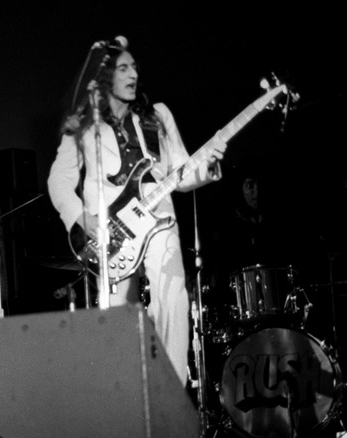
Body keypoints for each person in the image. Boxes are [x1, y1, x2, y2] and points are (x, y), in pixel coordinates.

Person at [46, 41, 227, 386]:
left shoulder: (155, 115)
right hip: (112, 234)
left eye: (135, 68)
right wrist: (82, 219)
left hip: (159, 221)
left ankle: (171, 391)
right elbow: (59, 179)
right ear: (103, 77)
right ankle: (123, 398)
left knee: (173, 302)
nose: (133, 74)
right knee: (115, 318)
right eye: (123, 68)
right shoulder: (84, 125)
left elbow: (182, 172)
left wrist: (210, 163)